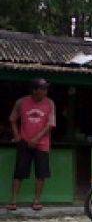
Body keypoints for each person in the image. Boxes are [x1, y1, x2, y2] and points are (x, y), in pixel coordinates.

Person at [7, 78, 56, 211]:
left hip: (42, 144)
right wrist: (17, 135)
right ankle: (13, 200)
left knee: (41, 174)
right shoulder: (21, 102)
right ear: (34, 90)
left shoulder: (50, 103)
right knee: (19, 173)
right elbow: (12, 119)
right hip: (24, 142)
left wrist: (36, 139)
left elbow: (50, 124)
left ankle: (37, 200)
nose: (45, 91)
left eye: (46, 88)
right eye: (42, 89)